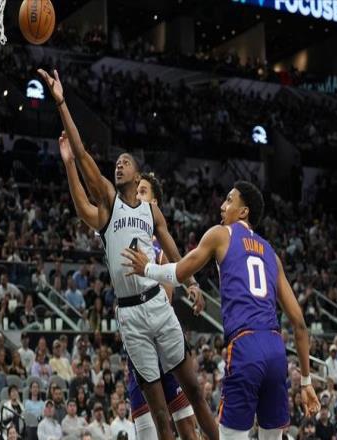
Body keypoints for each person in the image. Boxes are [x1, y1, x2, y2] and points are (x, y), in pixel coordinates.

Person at [40, 68, 213, 440]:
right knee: (159, 419)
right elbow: (83, 162)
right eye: (116, 161)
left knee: (193, 399)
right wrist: (62, 104)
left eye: (125, 162)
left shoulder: (152, 215)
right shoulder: (109, 203)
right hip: (131, 315)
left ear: (140, 179)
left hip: (158, 308)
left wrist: (190, 283)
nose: (118, 164)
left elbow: (174, 257)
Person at [123, 181, 321, 439]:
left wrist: (147, 268)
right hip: (276, 349)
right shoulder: (272, 254)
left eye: (229, 200)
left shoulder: (221, 234)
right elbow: (300, 324)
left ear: (244, 211)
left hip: (245, 345)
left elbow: (181, 271)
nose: (222, 206)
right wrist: (306, 381)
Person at [58, 136, 198, 440]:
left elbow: (166, 297)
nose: (137, 196)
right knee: (150, 430)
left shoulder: (160, 248)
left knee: (187, 426)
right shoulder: (117, 221)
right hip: (137, 336)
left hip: (161, 339)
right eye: (138, 190)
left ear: (153, 203)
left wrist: (152, 282)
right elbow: (84, 208)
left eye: (144, 191)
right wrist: (70, 164)